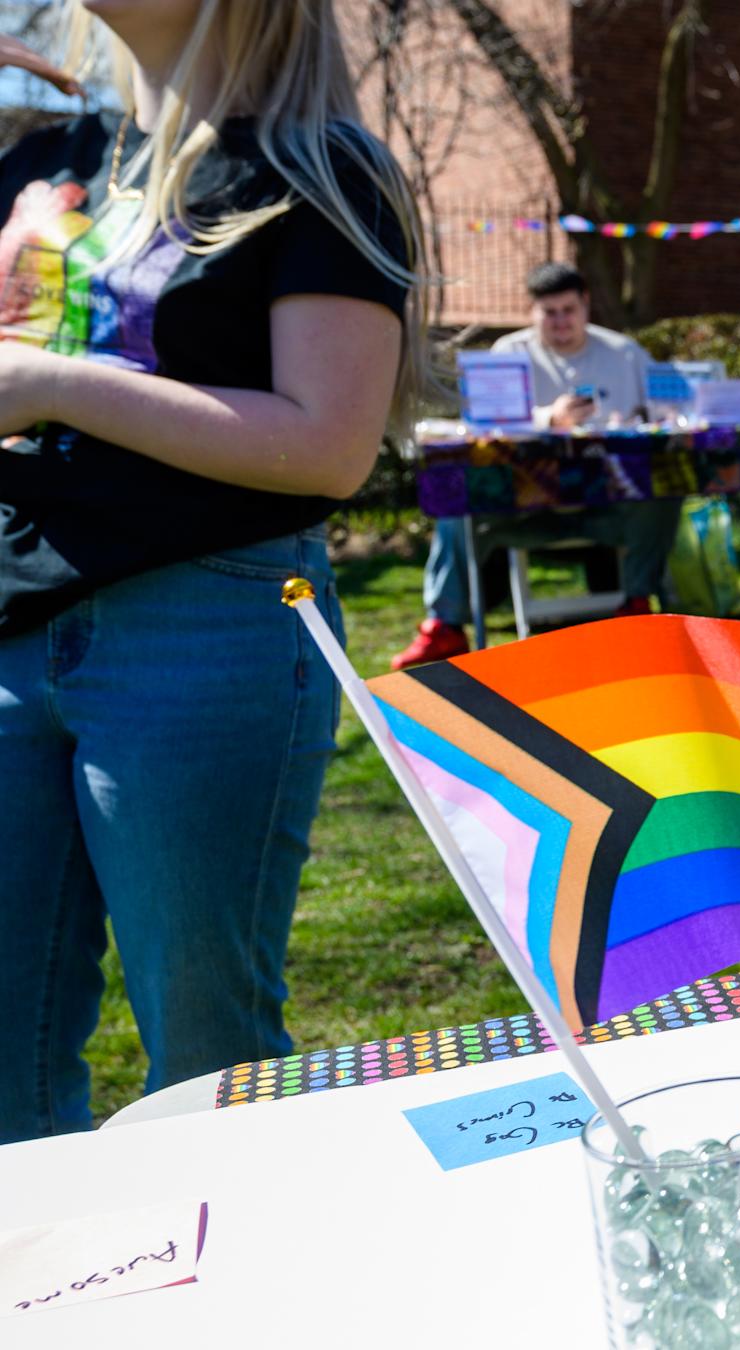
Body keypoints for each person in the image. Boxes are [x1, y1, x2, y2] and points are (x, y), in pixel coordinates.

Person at [0, 2, 427, 1140]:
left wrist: (51, 384)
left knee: (206, 1054)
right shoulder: (49, 159)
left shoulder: (318, 168)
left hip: (202, 623)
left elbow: (330, 445)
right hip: (10, 623)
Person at [388, 261, 681, 668]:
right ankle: (445, 627)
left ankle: (638, 603)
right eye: (549, 312)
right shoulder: (508, 353)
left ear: (586, 305)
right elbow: (483, 429)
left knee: (666, 487)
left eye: (569, 310)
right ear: (533, 312)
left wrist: (651, 419)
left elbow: (673, 409)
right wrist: (548, 419)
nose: (560, 321)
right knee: (454, 500)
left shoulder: (625, 353)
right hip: (523, 510)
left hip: (609, 508)